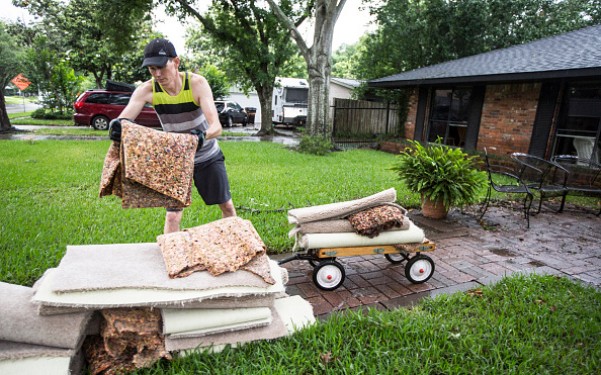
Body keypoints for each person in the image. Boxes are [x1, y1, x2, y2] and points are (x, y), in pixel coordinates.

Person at [110, 38, 236, 234]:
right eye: (152, 69)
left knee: (226, 206)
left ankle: (235, 244)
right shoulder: (147, 90)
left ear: (176, 62)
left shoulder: (196, 84)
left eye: (161, 67)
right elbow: (124, 119)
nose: (157, 74)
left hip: (207, 156)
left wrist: (200, 137)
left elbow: (216, 127)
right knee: (172, 215)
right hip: (175, 160)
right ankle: (172, 256)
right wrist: (117, 126)